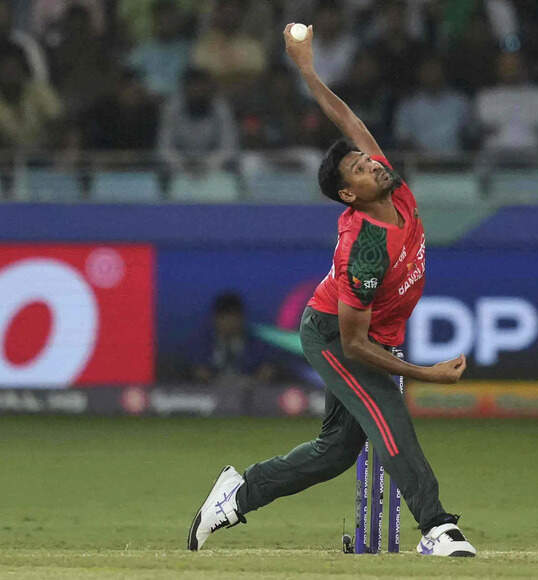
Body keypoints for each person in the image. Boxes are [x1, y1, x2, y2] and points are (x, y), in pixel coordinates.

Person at [187, 23, 476, 558]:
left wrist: (307, 69)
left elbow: (349, 121)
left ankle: (237, 494)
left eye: (369, 161)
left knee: (335, 452)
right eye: (361, 169)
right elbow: (355, 344)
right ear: (349, 195)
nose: (373, 165)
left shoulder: (393, 188)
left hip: (368, 336)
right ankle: (436, 527)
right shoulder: (364, 247)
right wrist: (428, 374)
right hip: (335, 337)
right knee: (388, 417)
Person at [157, 67, 238, 174]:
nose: (197, 90)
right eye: (192, 86)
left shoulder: (220, 108)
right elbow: (165, 148)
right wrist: (181, 164)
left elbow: (229, 147)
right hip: (179, 169)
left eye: (201, 86)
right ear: (184, 88)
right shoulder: (172, 108)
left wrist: (207, 164)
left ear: (209, 88)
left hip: (215, 169)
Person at [191, 293, 278, 385]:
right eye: (224, 318)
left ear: (242, 318)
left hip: (249, 389)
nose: (229, 322)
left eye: (234, 317)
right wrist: (195, 372)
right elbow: (190, 368)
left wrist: (268, 371)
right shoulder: (201, 344)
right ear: (214, 319)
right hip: (210, 390)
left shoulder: (258, 345)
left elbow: (272, 366)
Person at [394, 56, 472, 154]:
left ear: (444, 72)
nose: (432, 75)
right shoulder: (409, 104)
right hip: (418, 161)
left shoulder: (460, 102)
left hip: (455, 160)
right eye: (427, 70)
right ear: (419, 74)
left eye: (435, 70)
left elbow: (470, 134)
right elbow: (402, 138)